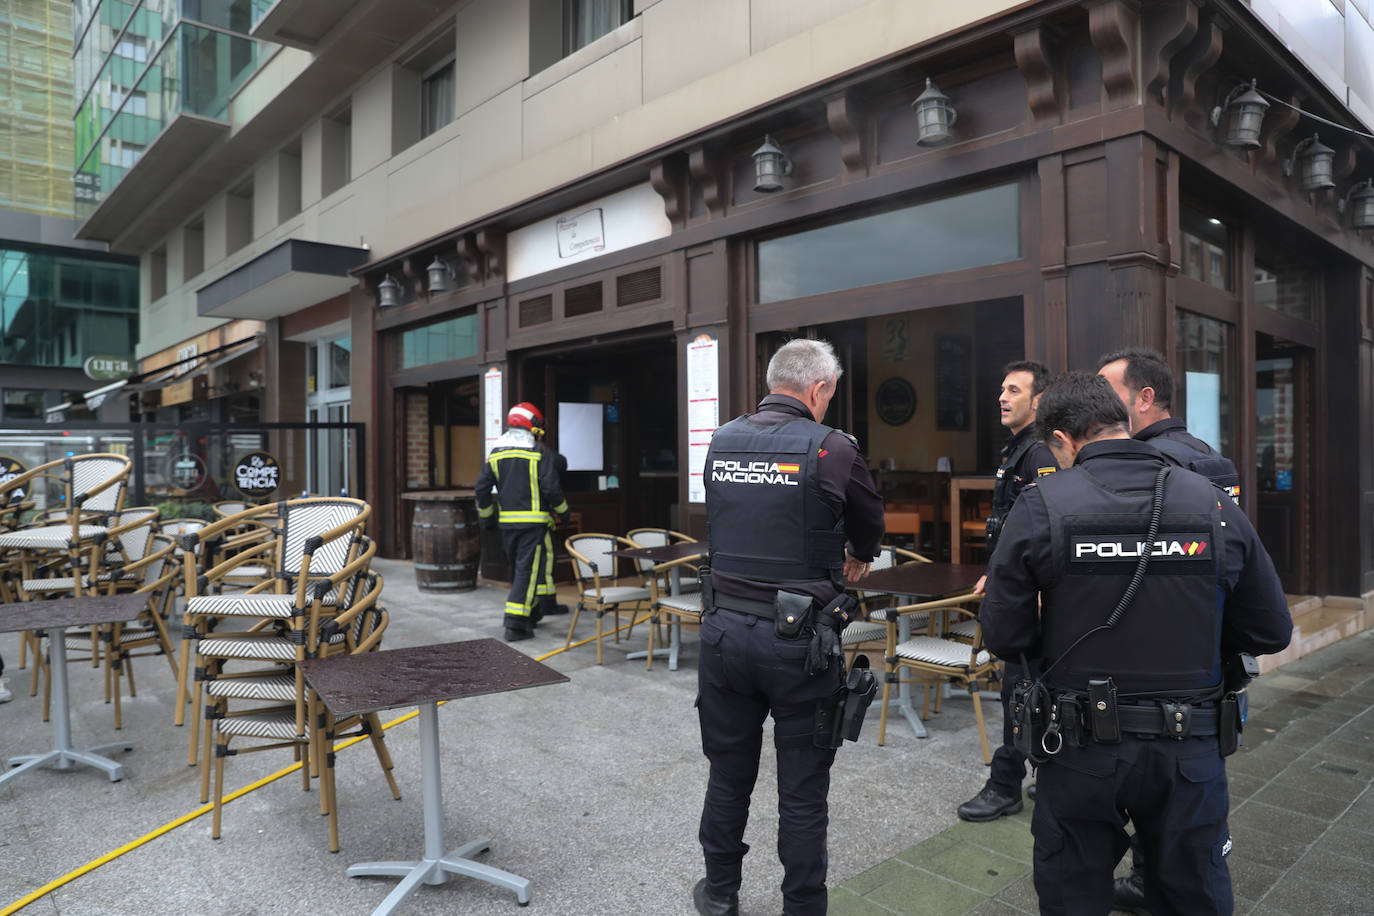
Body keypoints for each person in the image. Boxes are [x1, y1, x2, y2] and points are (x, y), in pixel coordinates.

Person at [980, 372, 1292, 915]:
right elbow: (1271, 630)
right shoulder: (1213, 503)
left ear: (1062, 439)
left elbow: (1004, 634)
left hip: (1079, 750)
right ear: (1123, 421)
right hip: (1189, 746)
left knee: (1073, 894)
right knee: (1193, 894)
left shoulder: (1042, 504)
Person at [693, 338, 884, 916]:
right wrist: (857, 554)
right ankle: (803, 906)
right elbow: (869, 526)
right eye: (831, 393)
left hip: (724, 633)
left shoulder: (722, 439)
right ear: (819, 388)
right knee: (802, 793)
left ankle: (721, 893)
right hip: (801, 644)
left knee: (728, 776)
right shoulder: (832, 449)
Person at [1098, 346, 1242, 909]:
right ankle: (1149, 879)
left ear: (1144, 397)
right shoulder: (1212, 458)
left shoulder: (1156, 465)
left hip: (1154, 665)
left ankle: (1152, 881)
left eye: (1110, 393)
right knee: (1190, 826)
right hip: (1203, 663)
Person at [957, 359, 1059, 823]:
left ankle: (1005, 786)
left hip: (1030, 597)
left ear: (1038, 401)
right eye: (1002, 388)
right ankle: (1051, 775)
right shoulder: (1018, 449)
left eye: (1014, 390)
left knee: (1019, 691)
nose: (1002, 396)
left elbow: (1047, 529)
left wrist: (1021, 584)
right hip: (1013, 586)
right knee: (1032, 689)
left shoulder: (1039, 454)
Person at [474, 402, 570, 642]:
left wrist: (487, 518)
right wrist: (564, 512)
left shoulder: (497, 453)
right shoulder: (538, 451)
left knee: (520, 570)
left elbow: (481, 488)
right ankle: (515, 624)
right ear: (534, 425)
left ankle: (532, 612)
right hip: (533, 525)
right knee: (527, 571)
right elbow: (551, 488)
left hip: (507, 526)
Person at [1098, 347, 1241, 501]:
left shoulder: (1146, 462)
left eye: (1106, 395)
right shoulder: (1209, 454)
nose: (1098, 404)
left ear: (1145, 398)